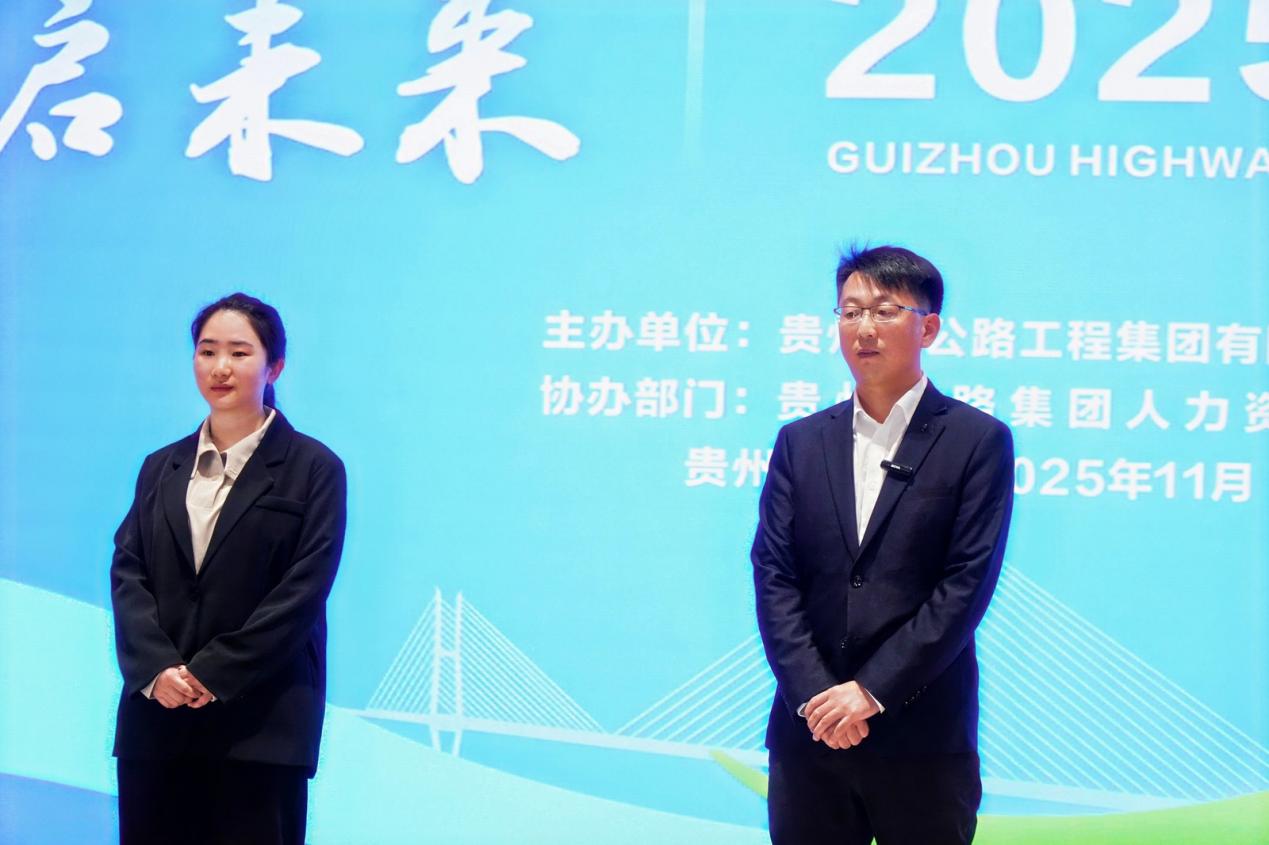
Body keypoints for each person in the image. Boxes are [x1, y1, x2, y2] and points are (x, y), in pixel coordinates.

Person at [752, 245, 1014, 844]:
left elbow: (965, 586)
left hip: (921, 739)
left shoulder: (976, 440)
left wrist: (870, 692)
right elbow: (774, 574)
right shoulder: (800, 441)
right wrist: (817, 696)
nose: (864, 328)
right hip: (810, 736)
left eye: (885, 310)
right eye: (850, 312)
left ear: (929, 328)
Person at [110, 293, 346, 845]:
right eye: (207, 351)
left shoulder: (314, 468)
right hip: (158, 721)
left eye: (239, 353)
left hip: (261, 727)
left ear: (274, 367)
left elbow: (302, 591)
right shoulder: (160, 466)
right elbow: (128, 573)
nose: (220, 367)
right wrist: (157, 670)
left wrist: (213, 673)